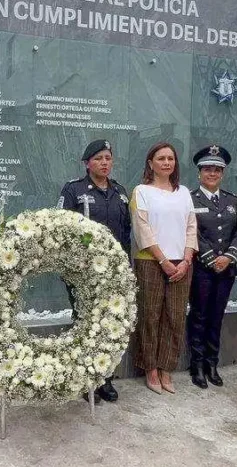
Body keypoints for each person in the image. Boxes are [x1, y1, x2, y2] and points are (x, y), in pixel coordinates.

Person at [58, 139, 131, 402]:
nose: (104, 163)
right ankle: (83, 379)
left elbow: (126, 235)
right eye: (98, 158)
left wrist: (125, 270)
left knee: (108, 325)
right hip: (83, 273)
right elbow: (61, 230)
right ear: (87, 163)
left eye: (108, 158)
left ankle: (104, 379)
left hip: (112, 274)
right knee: (84, 324)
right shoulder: (73, 190)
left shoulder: (120, 192)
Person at [130, 142, 197, 394]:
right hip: (151, 262)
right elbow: (142, 229)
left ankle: (167, 367)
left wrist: (187, 259)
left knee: (175, 317)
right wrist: (163, 261)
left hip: (182, 263)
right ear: (151, 163)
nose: (167, 162)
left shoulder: (184, 193)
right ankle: (150, 368)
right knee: (150, 315)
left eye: (170, 158)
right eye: (161, 158)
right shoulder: (141, 191)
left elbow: (191, 227)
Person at [186, 145, 237, 389]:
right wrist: (210, 257)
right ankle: (196, 365)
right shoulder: (189, 199)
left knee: (216, 317)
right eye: (207, 169)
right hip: (201, 269)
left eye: (217, 170)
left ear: (223, 173)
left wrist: (229, 256)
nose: (212, 174)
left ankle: (212, 363)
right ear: (199, 172)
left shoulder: (233, 200)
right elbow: (192, 231)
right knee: (199, 316)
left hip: (226, 269)